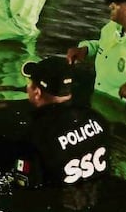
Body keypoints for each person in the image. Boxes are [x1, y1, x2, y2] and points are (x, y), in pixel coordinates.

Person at [12, 56, 109, 188]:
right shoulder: (97, 119)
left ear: (37, 92)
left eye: (29, 83)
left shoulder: (35, 136)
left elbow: (25, 186)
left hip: (57, 196)